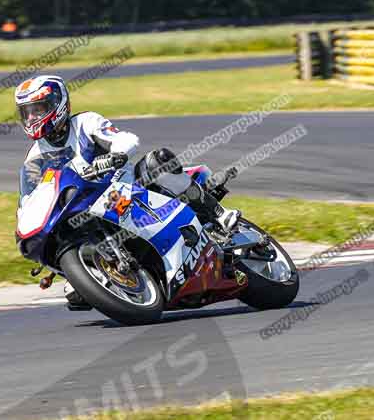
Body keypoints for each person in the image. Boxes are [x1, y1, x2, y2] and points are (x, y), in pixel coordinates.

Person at [15, 75, 241, 308]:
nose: (31, 118)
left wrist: (116, 154)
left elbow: (125, 138)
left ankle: (219, 214)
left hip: (125, 184)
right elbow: (31, 197)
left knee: (157, 161)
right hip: (88, 207)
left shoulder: (84, 123)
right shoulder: (34, 157)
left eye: (37, 110)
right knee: (75, 294)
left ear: (57, 103)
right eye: (26, 113)